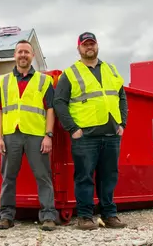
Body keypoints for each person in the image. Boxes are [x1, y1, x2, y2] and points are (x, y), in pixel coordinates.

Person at [53, 32, 128, 230]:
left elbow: (121, 96)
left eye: (92, 44)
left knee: (109, 175)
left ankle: (109, 215)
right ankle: (85, 217)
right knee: (84, 177)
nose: (89, 47)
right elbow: (59, 103)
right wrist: (73, 129)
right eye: (85, 44)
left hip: (111, 133)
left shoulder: (111, 70)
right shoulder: (70, 73)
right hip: (85, 136)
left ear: (97, 46)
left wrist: (123, 123)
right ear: (78, 48)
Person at [0, 39, 58, 231]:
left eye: (27, 52)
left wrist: (48, 136)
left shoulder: (44, 80)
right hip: (11, 135)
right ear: (15, 55)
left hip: (36, 136)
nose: (23, 55)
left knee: (43, 176)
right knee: (8, 177)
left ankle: (48, 216)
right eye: (20, 52)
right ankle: (6, 217)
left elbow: (50, 110)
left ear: (33, 56)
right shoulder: (3, 81)